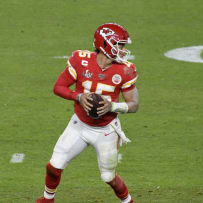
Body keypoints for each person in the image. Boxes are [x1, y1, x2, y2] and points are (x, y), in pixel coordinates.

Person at [36, 23, 139, 203]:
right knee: (54, 166)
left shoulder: (125, 70)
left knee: (109, 177)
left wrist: (112, 106)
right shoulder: (80, 60)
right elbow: (58, 87)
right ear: (106, 44)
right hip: (80, 125)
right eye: (120, 45)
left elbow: (134, 105)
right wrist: (79, 97)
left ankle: (129, 201)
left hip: (106, 130)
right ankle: (47, 200)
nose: (123, 50)